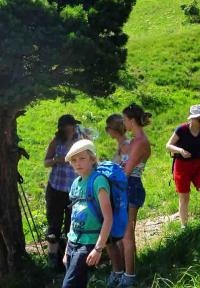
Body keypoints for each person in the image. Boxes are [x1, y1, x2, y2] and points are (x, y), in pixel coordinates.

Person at [62, 139, 113, 288]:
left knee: (68, 285)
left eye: (82, 158)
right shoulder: (75, 183)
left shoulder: (99, 181)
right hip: (73, 242)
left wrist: (98, 249)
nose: (78, 163)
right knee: (79, 283)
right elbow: (73, 217)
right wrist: (66, 250)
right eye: (74, 160)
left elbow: (108, 218)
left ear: (92, 159)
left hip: (89, 241)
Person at [114, 103, 152, 288]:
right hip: (126, 187)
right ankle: (124, 273)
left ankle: (129, 277)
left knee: (127, 235)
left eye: (124, 120)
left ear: (131, 120)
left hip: (131, 187)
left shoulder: (140, 142)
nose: (123, 123)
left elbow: (126, 171)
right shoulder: (135, 140)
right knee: (123, 235)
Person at [166, 104, 200, 228]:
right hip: (181, 166)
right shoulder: (181, 130)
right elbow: (168, 145)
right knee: (184, 196)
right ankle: (184, 226)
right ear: (192, 118)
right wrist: (181, 151)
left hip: (198, 165)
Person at [44, 114, 82, 270]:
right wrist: (55, 160)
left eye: (72, 127)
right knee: (54, 223)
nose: (70, 130)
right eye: (67, 128)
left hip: (74, 190)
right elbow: (46, 162)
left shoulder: (80, 141)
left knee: (71, 225)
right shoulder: (56, 141)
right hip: (56, 188)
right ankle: (53, 258)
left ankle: (68, 257)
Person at [104, 113, 130, 287]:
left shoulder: (126, 146)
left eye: (108, 128)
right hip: (116, 193)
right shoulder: (122, 145)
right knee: (112, 236)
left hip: (121, 195)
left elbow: (125, 170)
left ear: (112, 130)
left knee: (119, 236)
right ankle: (117, 270)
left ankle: (122, 273)